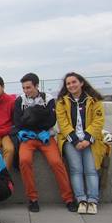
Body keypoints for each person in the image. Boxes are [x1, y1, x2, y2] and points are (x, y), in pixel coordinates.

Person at [14, 72, 76, 213]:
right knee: (24, 161)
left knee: (56, 162)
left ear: (36, 85)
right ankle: (32, 199)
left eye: (29, 87)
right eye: (24, 88)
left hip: (46, 136)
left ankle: (68, 198)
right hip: (28, 137)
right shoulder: (20, 100)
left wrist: (30, 119)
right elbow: (18, 122)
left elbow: (51, 121)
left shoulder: (48, 98)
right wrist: (37, 119)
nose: (26, 91)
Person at [56, 72, 110, 215]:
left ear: (81, 83)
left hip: (90, 141)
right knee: (76, 170)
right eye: (68, 83)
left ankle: (92, 200)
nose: (71, 85)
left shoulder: (94, 100)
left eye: (74, 82)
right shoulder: (62, 102)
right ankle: (81, 200)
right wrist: (75, 141)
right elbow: (63, 123)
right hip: (70, 140)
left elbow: (98, 121)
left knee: (91, 170)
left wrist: (87, 139)